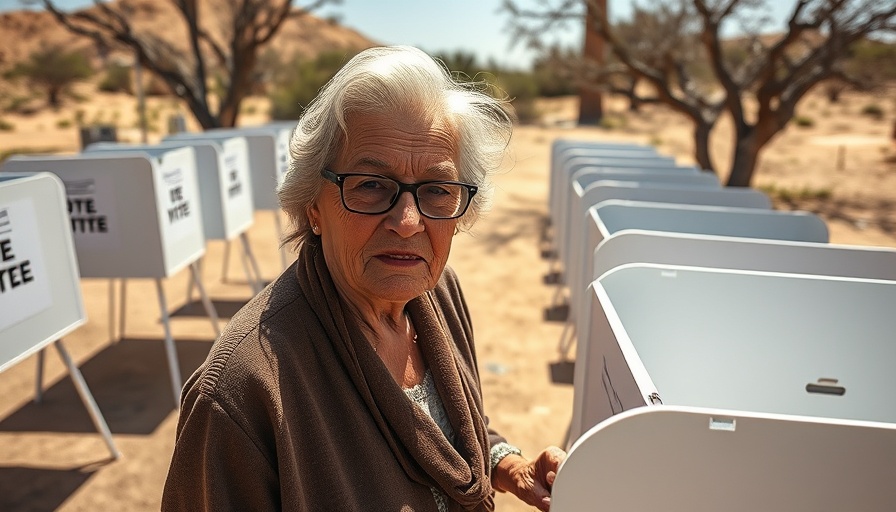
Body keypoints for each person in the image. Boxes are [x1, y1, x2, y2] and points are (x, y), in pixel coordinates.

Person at [162, 45, 566, 511]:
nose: (409, 221)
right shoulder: (241, 390)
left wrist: (504, 463)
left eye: (437, 190)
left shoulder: (438, 292)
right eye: (372, 185)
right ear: (312, 204)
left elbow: (446, 427)